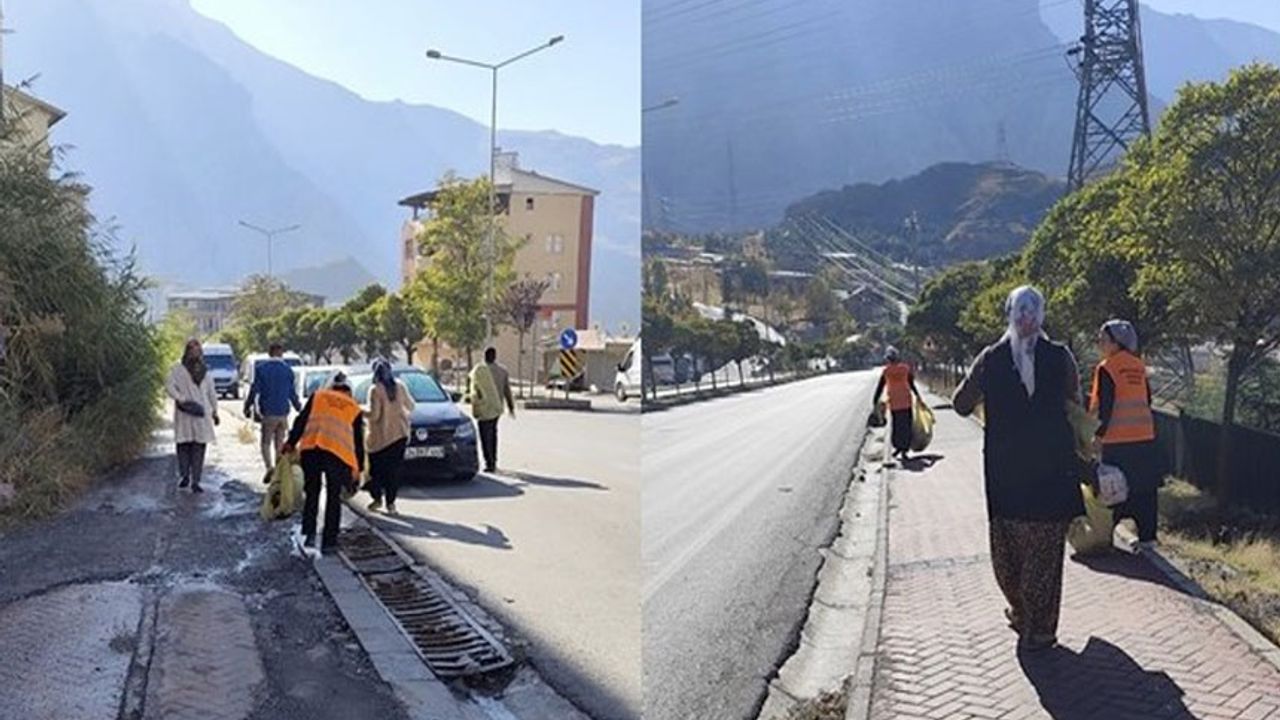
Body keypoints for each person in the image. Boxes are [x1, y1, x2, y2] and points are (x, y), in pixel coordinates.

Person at [952, 286, 1086, 651]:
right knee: (1045, 555)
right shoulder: (1061, 358)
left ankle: (1021, 611)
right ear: (1041, 315)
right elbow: (1076, 403)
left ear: (1008, 314)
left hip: (1005, 475)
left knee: (1007, 553)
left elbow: (961, 405)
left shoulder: (990, 358)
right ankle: (1041, 628)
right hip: (1052, 471)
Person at [1089, 319, 1162, 548]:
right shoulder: (1139, 366)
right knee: (1146, 490)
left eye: (1103, 338)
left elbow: (1106, 406)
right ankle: (1148, 538)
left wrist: (1098, 436)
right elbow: (1147, 400)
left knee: (1114, 490)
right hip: (1144, 437)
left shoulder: (1107, 367)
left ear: (1115, 342)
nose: (1099, 342)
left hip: (1117, 440)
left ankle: (1106, 537)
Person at [282, 372, 365, 553]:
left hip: (312, 449)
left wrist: (290, 443)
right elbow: (358, 442)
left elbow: (301, 421)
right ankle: (329, 542)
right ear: (349, 391)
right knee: (333, 496)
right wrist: (358, 469)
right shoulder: (353, 407)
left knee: (312, 492)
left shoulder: (318, 396)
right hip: (337, 454)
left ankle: (309, 532)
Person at [165, 339, 221, 493]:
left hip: (201, 414)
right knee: (183, 445)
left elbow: (211, 393)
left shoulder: (205, 371)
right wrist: (181, 398)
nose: (195, 354)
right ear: (187, 352)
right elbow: (169, 386)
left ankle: (196, 480)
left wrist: (215, 411)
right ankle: (184, 476)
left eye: (198, 351)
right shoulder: (177, 369)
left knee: (199, 447)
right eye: (192, 350)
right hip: (184, 412)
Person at [242, 342, 301, 483]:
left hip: (268, 412)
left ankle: (269, 467)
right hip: (283, 413)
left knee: (265, 442)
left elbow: (254, 389)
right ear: (281, 353)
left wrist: (247, 405)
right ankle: (279, 470)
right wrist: (299, 408)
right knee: (279, 444)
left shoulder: (261, 369)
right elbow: (292, 393)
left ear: (269, 353)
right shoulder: (288, 370)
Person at [366, 358, 414, 515]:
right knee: (394, 471)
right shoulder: (400, 386)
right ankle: (391, 504)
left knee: (376, 471)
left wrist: (359, 412)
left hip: (380, 438)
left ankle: (377, 499)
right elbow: (411, 406)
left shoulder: (375, 390)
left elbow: (374, 416)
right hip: (400, 434)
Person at [872, 346, 924, 461]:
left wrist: (875, 400)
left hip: (895, 404)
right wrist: (918, 395)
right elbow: (911, 384)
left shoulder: (886, 371)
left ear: (888, 359)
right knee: (906, 426)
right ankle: (904, 450)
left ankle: (898, 448)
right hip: (906, 402)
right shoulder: (905, 369)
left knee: (896, 427)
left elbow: (880, 387)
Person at [469, 347, 516, 473]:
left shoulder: (479, 371)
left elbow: (473, 389)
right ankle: (493, 461)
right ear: (495, 357)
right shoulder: (502, 371)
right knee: (493, 434)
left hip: (484, 408)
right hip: (496, 408)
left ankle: (488, 462)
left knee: (485, 435)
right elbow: (507, 390)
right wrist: (511, 406)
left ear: (485, 356)